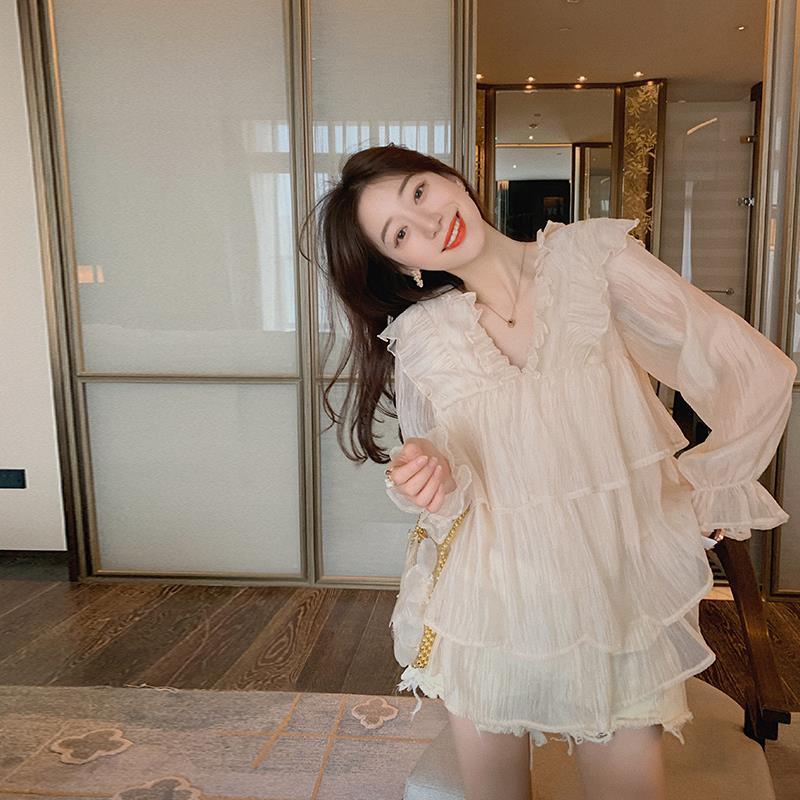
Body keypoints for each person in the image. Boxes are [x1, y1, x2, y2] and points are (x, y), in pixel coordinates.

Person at [307, 143, 796, 800]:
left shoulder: (592, 260)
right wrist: (429, 472)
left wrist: (702, 494)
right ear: (402, 264)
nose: (427, 222)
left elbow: (748, 369)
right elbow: (443, 480)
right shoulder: (424, 336)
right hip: (489, 600)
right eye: (399, 233)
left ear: (449, 177)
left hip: (613, 594)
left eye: (419, 192)